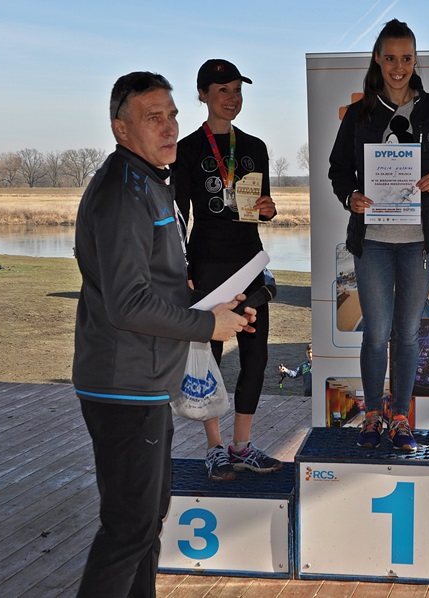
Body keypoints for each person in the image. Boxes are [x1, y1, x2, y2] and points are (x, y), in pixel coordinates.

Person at [72, 71, 255, 597]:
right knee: (129, 529)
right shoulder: (122, 191)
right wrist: (208, 324)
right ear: (121, 129)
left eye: (172, 115)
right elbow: (128, 303)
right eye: (153, 118)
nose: (169, 126)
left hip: (147, 380)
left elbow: (153, 281)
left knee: (146, 522)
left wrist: (211, 303)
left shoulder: (153, 181)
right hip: (123, 384)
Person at [329, 19, 429, 451]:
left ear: (415, 60)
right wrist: (350, 195)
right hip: (371, 241)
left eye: (406, 58)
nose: (398, 67)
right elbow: (338, 169)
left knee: (407, 333)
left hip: (419, 242)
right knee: (376, 333)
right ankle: (373, 416)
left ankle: (402, 418)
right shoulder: (360, 113)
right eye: (390, 58)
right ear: (377, 59)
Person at [173, 59, 282, 482]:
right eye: (223, 90)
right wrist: (183, 267)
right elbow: (179, 214)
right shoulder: (187, 149)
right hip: (207, 263)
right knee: (210, 358)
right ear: (202, 94)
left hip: (250, 261)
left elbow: (261, 205)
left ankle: (242, 445)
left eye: (237, 90)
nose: (232, 98)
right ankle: (214, 447)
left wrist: (269, 209)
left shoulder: (255, 146)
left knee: (256, 356)